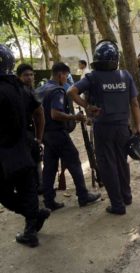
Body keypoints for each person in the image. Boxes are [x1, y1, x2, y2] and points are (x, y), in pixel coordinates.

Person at [68, 40, 140, 215]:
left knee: (107, 165)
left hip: (103, 129)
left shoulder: (92, 77)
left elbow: (71, 91)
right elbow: (135, 103)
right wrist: (137, 126)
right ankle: (126, 196)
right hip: (123, 128)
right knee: (122, 162)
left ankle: (117, 205)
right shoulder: (125, 76)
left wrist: (87, 106)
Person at [0, 44, 50, 247]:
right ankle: (32, 225)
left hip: (4, 155)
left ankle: (33, 221)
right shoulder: (22, 88)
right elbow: (39, 113)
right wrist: (38, 139)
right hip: (26, 149)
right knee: (28, 191)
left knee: (5, 195)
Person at [35, 63, 101, 211]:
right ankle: (83, 196)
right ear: (60, 75)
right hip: (57, 133)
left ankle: (49, 200)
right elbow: (55, 114)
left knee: (50, 167)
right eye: (66, 75)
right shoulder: (57, 91)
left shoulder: (41, 89)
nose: (66, 79)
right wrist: (75, 117)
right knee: (74, 161)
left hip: (45, 134)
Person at [16, 64, 45, 194]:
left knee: (36, 162)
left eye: (31, 74)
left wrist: (39, 138)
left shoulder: (33, 92)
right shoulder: (16, 92)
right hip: (19, 136)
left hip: (30, 135)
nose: (29, 77)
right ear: (19, 77)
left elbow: (40, 115)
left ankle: (39, 186)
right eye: (25, 75)